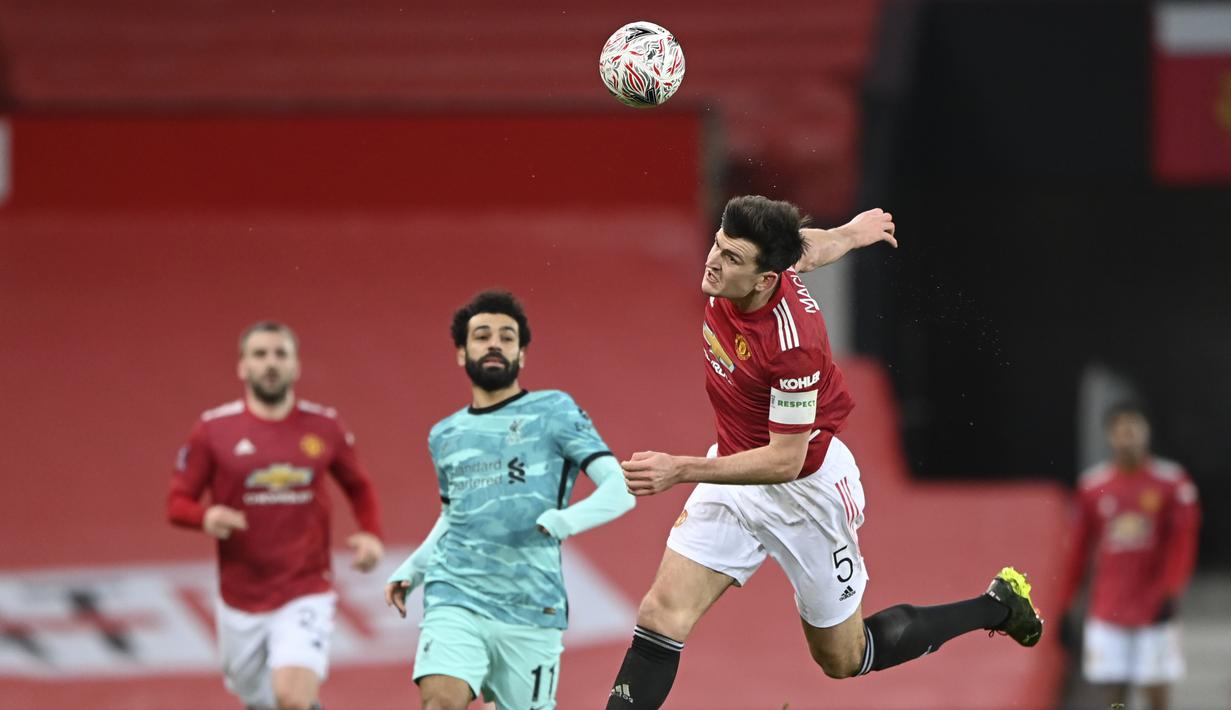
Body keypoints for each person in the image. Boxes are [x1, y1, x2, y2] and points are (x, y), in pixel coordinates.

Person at [604, 196, 1044, 708]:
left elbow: (784, 461)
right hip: (735, 474)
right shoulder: (756, 270)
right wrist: (854, 232)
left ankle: (997, 606)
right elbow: (809, 248)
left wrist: (680, 469)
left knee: (843, 658)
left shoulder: (793, 346)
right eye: (717, 246)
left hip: (804, 493)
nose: (713, 262)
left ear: (765, 280)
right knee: (660, 615)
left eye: (731, 258)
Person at [385, 290, 636, 710]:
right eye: (482, 336)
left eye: (507, 336)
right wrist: (415, 567)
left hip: (531, 604)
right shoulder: (444, 435)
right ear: (461, 354)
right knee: (440, 700)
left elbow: (619, 488)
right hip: (457, 592)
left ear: (521, 355)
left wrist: (565, 520)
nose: (495, 343)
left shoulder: (554, 410)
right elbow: (455, 515)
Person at [166, 321, 385, 710]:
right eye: (260, 355)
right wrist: (205, 516)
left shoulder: (324, 426)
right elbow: (177, 501)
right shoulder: (214, 430)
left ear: (296, 366)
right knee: (262, 701)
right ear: (242, 367)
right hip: (241, 598)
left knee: (292, 697)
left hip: (305, 588)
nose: (271, 363)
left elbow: (359, 486)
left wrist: (370, 533)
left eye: (280, 354)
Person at [1059, 403, 1200, 710]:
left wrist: (1171, 590)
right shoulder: (1093, 486)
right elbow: (1078, 551)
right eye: (1121, 430)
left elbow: (1183, 542)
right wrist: (1068, 602)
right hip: (1109, 607)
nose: (1128, 437)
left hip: (1153, 605)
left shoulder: (1171, 483)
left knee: (1156, 692)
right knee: (1113, 693)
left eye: (1134, 429)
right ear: (1110, 436)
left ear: (1146, 432)